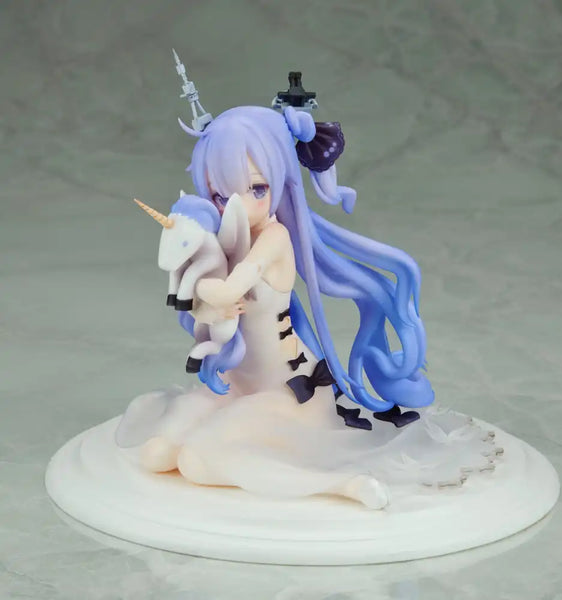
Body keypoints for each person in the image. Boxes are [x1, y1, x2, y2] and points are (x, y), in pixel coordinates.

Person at [117, 79, 494, 510]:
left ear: (279, 182)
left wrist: (197, 279)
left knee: (198, 462)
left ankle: (342, 484)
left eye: (257, 189)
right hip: (238, 384)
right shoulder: (224, 238)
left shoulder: (274, 238)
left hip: (291, 393)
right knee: (156, 454)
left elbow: (228, 289)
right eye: (220, 194)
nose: (239, 203)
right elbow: (205, 310)